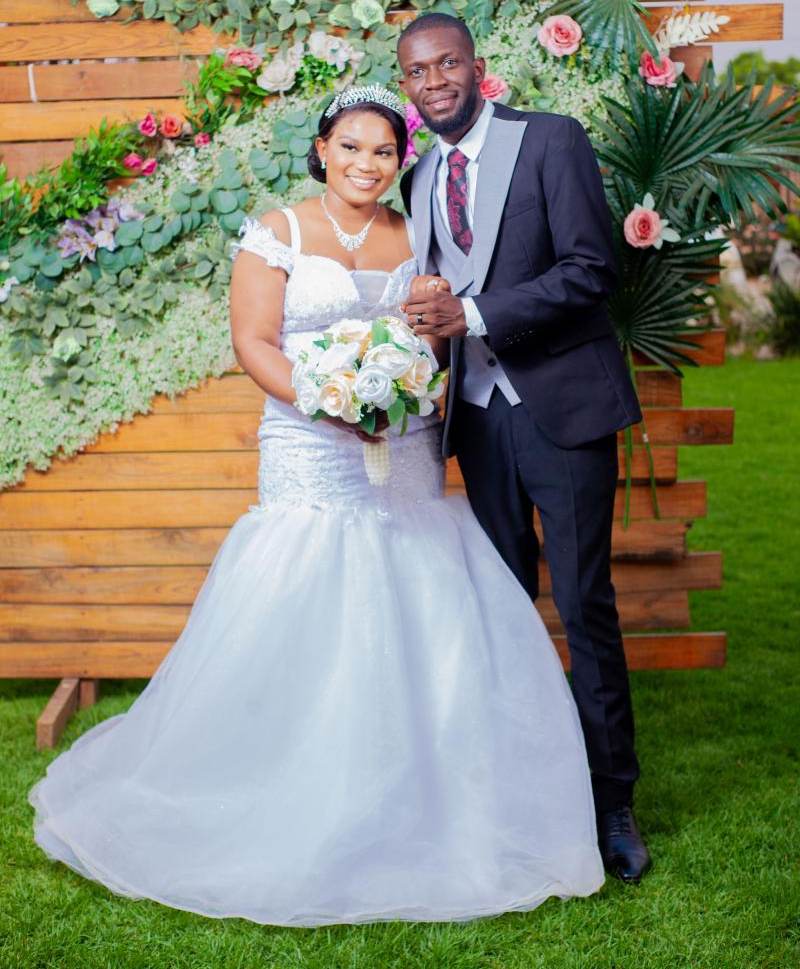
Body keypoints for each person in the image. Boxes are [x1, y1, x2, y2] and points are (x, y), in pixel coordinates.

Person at [28, 84, 605, 926]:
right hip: (309, 447)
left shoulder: (418, 232)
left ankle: (427, 793)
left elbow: (437, 331)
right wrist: (323, 398)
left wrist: (405, 389)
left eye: (384, 151)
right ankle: (280, 787)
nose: (367, 163)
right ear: (323, 150)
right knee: (306, 597)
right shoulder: (279, 232)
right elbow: (254, 340)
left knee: (421, 600)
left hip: (404, 447)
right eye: (352, 147)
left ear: (399, 161)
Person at [398, 14, 652, 884]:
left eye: (447, 64)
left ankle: (611, 801)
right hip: (476, 419)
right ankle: (525, 790)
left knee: (582, 604)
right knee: (504, 612)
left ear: (477, 66)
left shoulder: (550, 140)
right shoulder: (419, 178)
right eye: (418, 71)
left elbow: (591, 269)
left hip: (561, 410)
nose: (435, 81)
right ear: (408, 85)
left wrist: (472, 313)